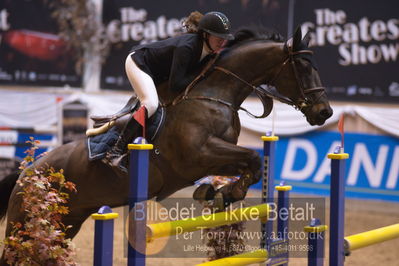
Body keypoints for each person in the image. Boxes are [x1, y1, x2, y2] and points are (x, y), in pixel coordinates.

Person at [103, 11, 235, 173]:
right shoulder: (187, 47)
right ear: (206, 35)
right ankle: (115, 150)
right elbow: (176, 84)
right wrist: (201, 75)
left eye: (224, 37)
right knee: (150, 104)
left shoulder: (208, 53)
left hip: (158, 72)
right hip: (139, 63)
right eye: (218, 36)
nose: (222, 41)